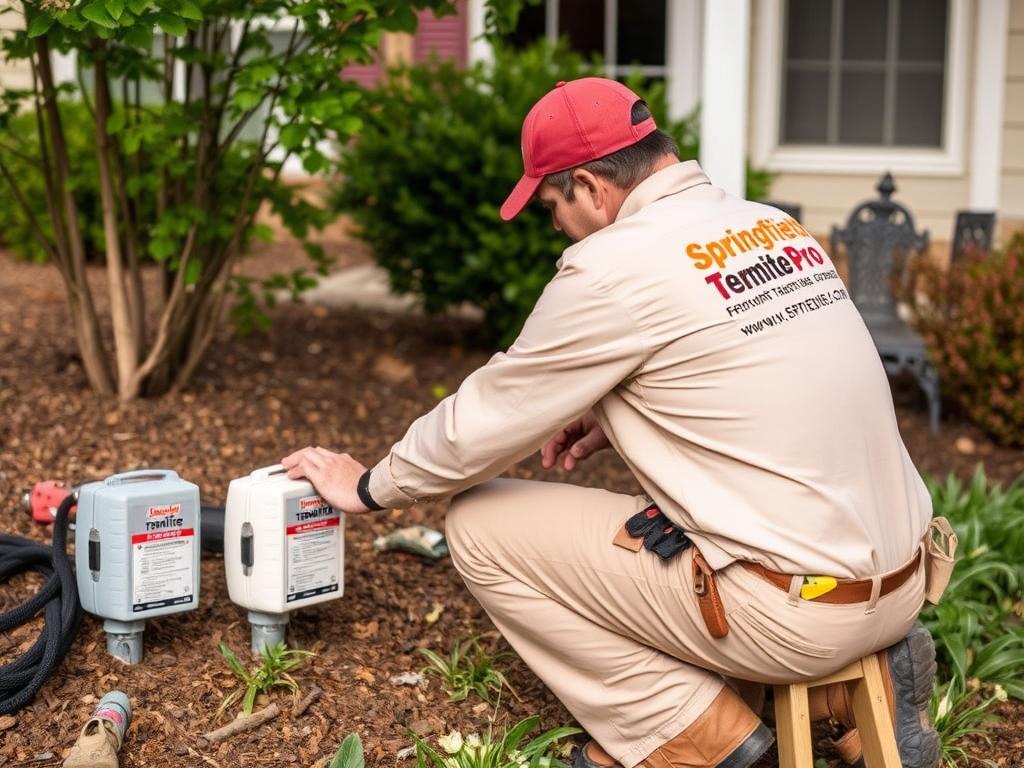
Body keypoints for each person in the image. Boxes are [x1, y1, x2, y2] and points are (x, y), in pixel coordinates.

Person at [282, 77, 945, 768]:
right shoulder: (770, 225)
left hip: (795, 617)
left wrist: (367, 487)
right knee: (672, 524)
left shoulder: (613, 268)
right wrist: (622, 413)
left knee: (478, 524)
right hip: (899, 583)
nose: (553, 226)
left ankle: (693, 737)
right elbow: (768, 382)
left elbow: (485, 420)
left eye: (550, 205)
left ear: (592, 188)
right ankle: (849, 707)